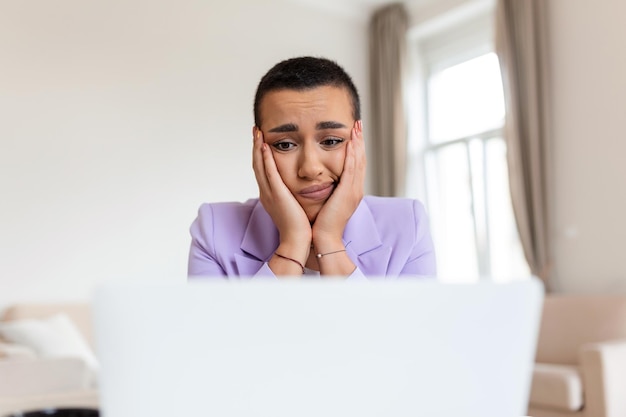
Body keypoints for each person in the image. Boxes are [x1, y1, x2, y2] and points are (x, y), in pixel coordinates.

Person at [188, 56, 436, 279]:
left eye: (331, 141)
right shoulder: (213, 229)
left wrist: (329, 241)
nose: (310, 168)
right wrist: (292, 243)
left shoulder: (408, 224)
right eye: (284, 145)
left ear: (358, 142)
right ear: (258, 144)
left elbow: (401, 331)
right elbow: (221, 331)